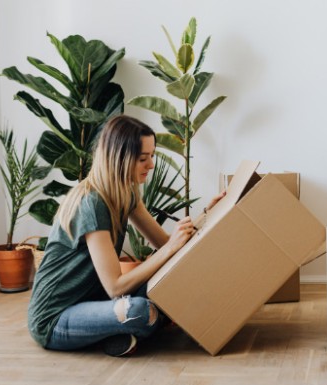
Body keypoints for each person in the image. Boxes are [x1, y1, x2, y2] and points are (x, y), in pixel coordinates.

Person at [27, 115, 224, 357]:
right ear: (119, 159)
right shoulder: (92, 202)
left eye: (152, 156)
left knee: (169, 281)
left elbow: (167, 244)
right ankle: (129, 325)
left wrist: (207, 215)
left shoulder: (126, 194)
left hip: (94, 302)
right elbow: (115, 286)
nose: (150, 165)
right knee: (140, 310)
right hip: (55, 319)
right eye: (143, 158)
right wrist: (170, 248)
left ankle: (122, 332)